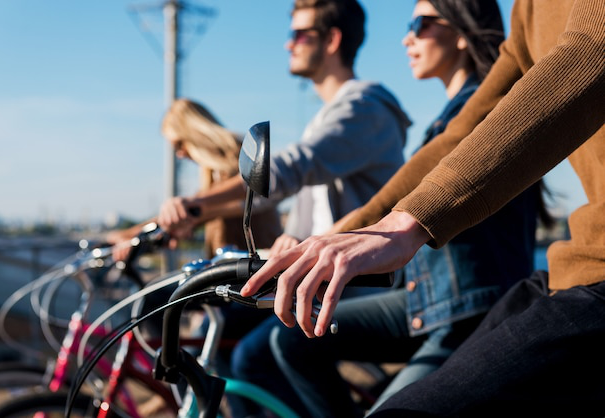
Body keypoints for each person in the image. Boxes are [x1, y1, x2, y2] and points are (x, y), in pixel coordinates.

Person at [242, 0, 605, 416]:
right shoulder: (529, 10)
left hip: (505, 295)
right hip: (570, 270)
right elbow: (460, 136)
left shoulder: (366, 106)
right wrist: (347, 234)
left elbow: (591, 51)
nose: (407, 36)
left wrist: (406, 225)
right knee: (284, 343)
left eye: (421, 23)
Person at [156, 0, 410, 257]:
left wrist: (195, 203)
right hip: (332, 283)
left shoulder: (365, 109)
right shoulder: (330, 117)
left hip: (362, 288)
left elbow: (292, 167)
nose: (288, 44)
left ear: (332, 40)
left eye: (299, 35)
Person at [107, 98, 282, 260]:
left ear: (196, 133)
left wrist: (131, 234)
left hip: (257, 270)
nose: (180, 154)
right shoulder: (213, 171)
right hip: (235, 272)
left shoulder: (240, 156)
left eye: (179, 144)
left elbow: (199, 209)